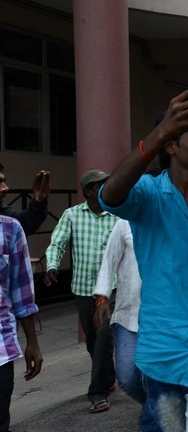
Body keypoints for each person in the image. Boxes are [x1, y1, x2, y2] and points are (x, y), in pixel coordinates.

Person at [99, 90, 188, 430]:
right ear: (171, 145)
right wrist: (158, 132)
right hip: (163, 350)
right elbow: (109, 195)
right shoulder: (147, 195)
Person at [44, 169, 119, 414]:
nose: (105, 188)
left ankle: (97, 393)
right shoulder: (72, 215)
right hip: (83, 289)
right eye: (99, 185)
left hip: (111, 290)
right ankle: (108, 377)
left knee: (105, 338)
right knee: (94, 342)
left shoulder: (118, 216)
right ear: (87, 191)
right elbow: (57, 242)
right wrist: (52, 264)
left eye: (106, 184)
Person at [93, 219, 145, 406]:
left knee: (162, 377)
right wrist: (102, 298)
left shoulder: (169, 216)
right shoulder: (124, 223)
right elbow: (109, 260)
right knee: (127, 378)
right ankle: (154, 409)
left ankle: (159, 414)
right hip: (128, 314)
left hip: (163, 316)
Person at [0, 215, 42, 432]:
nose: (5, 189)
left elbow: (21, 291)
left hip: (1, 351)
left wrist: (32, 342)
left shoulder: (10, 228)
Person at [0, 163, 51, 236]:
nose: (6, 188)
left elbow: (26, 223)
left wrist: (39, 200)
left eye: (3, 182)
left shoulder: (3, 211)